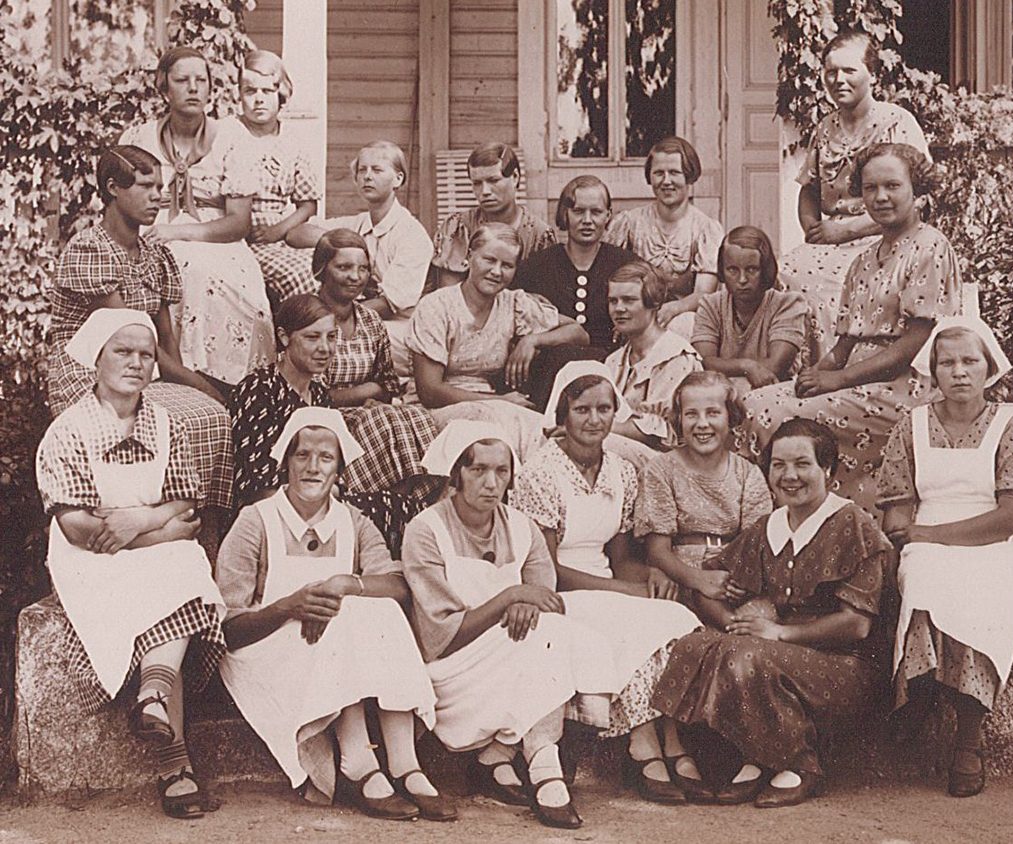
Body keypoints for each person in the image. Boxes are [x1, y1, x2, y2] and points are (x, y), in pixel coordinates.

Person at [216, 407, 455, 821]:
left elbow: (397, 585)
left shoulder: (354, 523)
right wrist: (288, 606)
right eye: (302, 455)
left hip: (328, 643)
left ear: (340, 468)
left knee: (373, 611)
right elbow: (229, 628)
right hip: (265, 649)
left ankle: (404, 762)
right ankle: (359, 764)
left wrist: (345, 584)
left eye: (325, 458)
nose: (312, 467)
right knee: (348, 619)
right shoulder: (256, 521)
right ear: (285, 462)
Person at [35, 309, 225, 820]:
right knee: (177, 566)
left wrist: (139, 519)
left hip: (150, 551)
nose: (137, 362)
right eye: (123, 351)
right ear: (97, 359)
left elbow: (187, 504)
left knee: (183, 563)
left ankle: (158, 710)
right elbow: (80, 527)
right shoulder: (68, 431)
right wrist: (158, 531)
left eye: (146, 353)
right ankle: (169, 741)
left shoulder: (167, 425)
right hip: (90, 564)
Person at [653, 419, 891, 808]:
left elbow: (857, 624)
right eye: (778, 465)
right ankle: (761, 756)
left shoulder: (852, 523)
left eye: (802, 464)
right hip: (777, 655)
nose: (789, 476)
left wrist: (778, 633)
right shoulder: (769, 527)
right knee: (695, 645)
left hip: (845, 664)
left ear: (827, 470)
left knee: (746, 654)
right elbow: (708, 587)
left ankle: (800, 764)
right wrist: (734, 623)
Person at [401, 421, 623, 829]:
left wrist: (526, 603)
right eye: (478, 470)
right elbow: (439, 638)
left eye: (501, 471)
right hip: (453, 675)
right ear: (455, 474)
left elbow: (546, 601)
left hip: (518, 656)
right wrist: (508, 597)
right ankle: (537, 768)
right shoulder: (426, 530)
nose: (491, 482)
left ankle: (521, 759)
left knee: (568, 636)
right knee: (548, 639)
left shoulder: (522, 528)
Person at [509, 362, 705, 803]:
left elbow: (619, 559)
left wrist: (651, 575)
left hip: (604, 583)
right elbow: (548, 568)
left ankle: (672, 739)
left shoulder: (621, 471)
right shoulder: (539, 474)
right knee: (627, 623)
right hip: (561, 593)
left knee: (674, 615)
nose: (594, 420)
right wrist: (625, 592)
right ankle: (644, 748)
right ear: (562, 415)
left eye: (603, 408)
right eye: (582, 409)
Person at [740, 142, 961, 513]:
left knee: (772, 416)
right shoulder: (864, 259)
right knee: (752, 401)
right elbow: (844, 344)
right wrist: (815, 376)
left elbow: (913, 347)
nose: (881, 197)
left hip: (903, 388)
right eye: (871, 188)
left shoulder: (929, 247)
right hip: (858, 382)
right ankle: (769, 524)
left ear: (916, 190)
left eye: (892, 186)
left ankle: (801, 516)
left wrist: (838, 381)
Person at [878, 317, 1013, 798]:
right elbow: (896, 504)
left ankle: (968, 741)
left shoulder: (1011, 427)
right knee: (925, 585)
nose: (959, 372)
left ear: (989, 367)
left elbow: (1011, 517)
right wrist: (905, 535)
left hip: (993, 543)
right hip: (926, 543)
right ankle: (921, 693)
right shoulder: (911, 426)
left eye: (970, 361)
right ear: (932, 371)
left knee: (980, 601)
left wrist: (927, 532)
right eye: (947, 362)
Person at [47, 145, 235, 514]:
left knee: (211, 415)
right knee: (189, 414)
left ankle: (198, 529)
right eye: (146, 186)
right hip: (90, 371)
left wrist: (193, 386)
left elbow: (166, 341)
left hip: (143, 368)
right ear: (113, 187)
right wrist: (206, 387)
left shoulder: (155, 254)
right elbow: (130, 339)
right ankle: (150, 517)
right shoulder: (90, 250)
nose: (158, 196)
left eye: (160, 186)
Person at [119, 46, 274, 387]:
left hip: (216, 235)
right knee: (167, 273)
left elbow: (238, 222)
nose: (193, 88)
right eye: (182, 80)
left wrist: (181, 232)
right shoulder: (139, 138)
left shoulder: (232, 137)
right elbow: (121, 203)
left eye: (201, 80)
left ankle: (232, 383)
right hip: (151, 230)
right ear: (163, 87)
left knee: (237, 292)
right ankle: (174, 376)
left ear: (210, 88)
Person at [780, 30, 930, 363]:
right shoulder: (826, 128)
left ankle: (837, 374)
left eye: (849, 70)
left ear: (872, 75)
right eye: (831, 71)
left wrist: (847, 230)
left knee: (835, 281)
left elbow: (920, 197)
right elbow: (809, 187)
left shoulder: (896, 122)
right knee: (784, 271)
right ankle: (794, 377)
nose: (838, 79)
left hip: (883, 237)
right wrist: (811, 228)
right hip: (829, 241)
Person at [407, 222, 588, 460]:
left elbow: (579, 333)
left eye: (507, 265)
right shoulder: (437, 306)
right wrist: (500, 401)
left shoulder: (513, 304)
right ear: (469, 257)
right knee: (514, 427)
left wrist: (532, 340)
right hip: (437, 412)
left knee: (546, 431)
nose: (496, 272)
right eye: (489, 260)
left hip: (496, 407)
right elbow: (430, 391)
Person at [287, 140, 432, 375]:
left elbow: (387, 305)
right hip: (351, 316)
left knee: (315, 343)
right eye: (361, 170)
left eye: (377, 170)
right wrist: (339, 241)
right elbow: (296, 234)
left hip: (398, 328)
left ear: (399, 179)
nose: (367, 176)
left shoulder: (411, 235)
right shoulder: (357, 224)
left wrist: (329, 319)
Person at [313, 229, 438, 498]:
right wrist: (367, 391)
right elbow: (312, 394)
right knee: (381, 419)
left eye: (363, 268)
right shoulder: (307, 316)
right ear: (321, 269)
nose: (355, 277)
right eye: (344, 267)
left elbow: (389, 384)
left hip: (368, 411)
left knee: (416, 415)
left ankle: (407, 501)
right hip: (322, 416)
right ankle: (367, 500)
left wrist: (375, 392)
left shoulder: (370, 320)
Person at [635, 372, 773, 602]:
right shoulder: (660, 470)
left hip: (734, 577)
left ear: (731, 417)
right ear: (679, 419)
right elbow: (657, 551)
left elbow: (754, 543)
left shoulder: (747, 473)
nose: (702, 424)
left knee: (756, 623)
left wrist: (733, 583)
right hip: (680, 576)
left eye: (713, 413)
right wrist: (699, 580)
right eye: (691, 414)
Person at [510, 176, 636, 404]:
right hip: (549, 373)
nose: (587, 220)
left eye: (596, 212)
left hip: (610, 367)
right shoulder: (538, 266)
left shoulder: (625, 265)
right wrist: (532, 341)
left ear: (608, 216)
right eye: (578, 211)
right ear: (564, 215)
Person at [604, 136, 724, 338]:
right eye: (659, 173)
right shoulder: (629, 223)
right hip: (632, 316)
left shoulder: (705, 229)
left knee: (685, 324)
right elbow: (608, 278)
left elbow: (704, 294)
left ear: (689, 176)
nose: (666, 181)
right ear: (649, 177)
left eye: (674, 173)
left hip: (682, 320)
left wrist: (674, 309)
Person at [228, 50, 323, 305]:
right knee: (298, 275)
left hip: (280, 237)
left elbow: (308, 204)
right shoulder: (227, 134)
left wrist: (279, 230)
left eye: (267, 92)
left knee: (326, 267)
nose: (259, 100)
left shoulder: (292, 142)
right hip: (237, 240)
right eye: (250, 91)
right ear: (240, 95)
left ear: (281, 95)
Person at [230, 294, 336, 508]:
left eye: (331, 337)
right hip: (270, 514)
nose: (325, 348)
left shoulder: (320, 396)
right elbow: (256, 488)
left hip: (317, 504)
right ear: (284, 337)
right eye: (312, 337)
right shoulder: (259, 390)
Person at [692, 226, 808, 402]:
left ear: (766, 270)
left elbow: (775, 366)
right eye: (732, 270)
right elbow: (705, 361)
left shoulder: (787, 305)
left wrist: (728, 368)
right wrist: (747, 366)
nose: (742, 280)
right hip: (720, 393)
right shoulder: (711, 305)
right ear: (722, 271)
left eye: (752, 269)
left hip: (770, 394)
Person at [430, 142, 556, 289]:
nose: (485, 191)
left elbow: (543, 297)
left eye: (493, 180)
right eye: (477, 183)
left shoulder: (539, 236)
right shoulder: (457, 228)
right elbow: (447, 293)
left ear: (515, 177)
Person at [603, 261, 702, 448]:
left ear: (653, 303)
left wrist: (597, 429)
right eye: (613, 301)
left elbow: (660, 432)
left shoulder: (676, 357)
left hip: (665, 460)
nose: (618, 308)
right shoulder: (614, 360)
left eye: (629, 300)